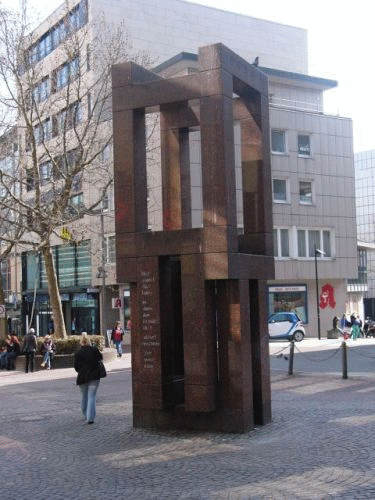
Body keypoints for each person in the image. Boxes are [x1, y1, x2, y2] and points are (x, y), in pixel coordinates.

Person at [74, 335, 103, 424]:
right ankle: (90, 418)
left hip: (82, 377)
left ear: (81, 342)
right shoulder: (94, 350)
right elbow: (100, 358)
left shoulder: (78, 352)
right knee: (92, 396)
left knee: (83, 395)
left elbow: (76, 367)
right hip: (94, 376)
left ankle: (85, 414)